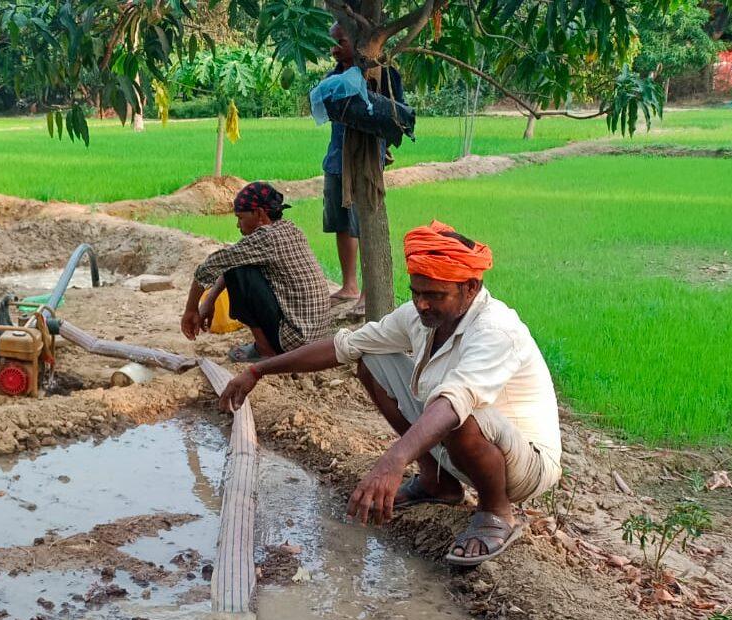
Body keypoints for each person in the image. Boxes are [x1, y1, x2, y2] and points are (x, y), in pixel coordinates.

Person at [218, 221, 562, 567]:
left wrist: (393, 461)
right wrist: (257, 370)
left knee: (457, 410)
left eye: (435, 295)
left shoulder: (496, 330)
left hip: (522, 466)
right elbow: (344, 347)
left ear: (470, 287)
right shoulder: (419, 317)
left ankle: (496, 512)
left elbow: (455, 403)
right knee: (371, 358)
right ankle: (436, 483)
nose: (422, 304)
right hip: (464, 445)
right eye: (417, 292)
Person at [181, 182, 330, 361]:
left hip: (295, 340)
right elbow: (230, 261)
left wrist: (191, 309)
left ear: (259, 214)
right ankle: (267, 346)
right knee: (236, 261)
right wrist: (209, 300)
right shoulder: (291, 229)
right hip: (315, 338)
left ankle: (266, 351)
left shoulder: (265, 238)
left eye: (241, 218)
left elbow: (209, 267)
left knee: (239, 269)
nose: (238, 225)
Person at [322, 22, 404, 305]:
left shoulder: (384, 74)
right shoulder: (333, 77)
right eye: (331, 43)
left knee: (365, 221)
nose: (333, 49)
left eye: (339, 42)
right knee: (341, 222)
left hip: (366, 160)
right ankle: (349, 286)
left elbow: (397, 115)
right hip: (336, 158)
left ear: (356, 42)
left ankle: (371, 292)